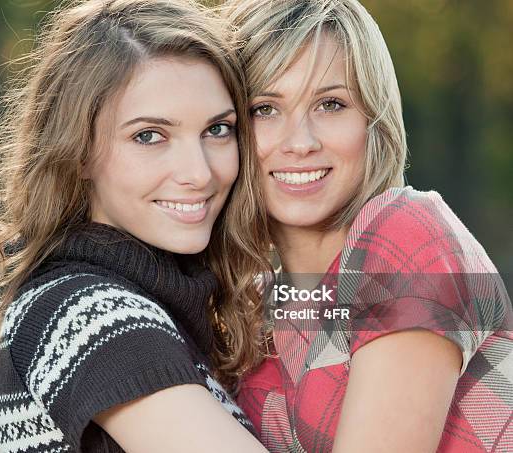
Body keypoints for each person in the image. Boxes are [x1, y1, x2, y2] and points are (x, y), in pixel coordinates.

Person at [0, 0, 270, 451]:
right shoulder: (87, 314)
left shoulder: (155, 305)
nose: (199, 173)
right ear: (78, 151)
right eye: (149, 136)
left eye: (217, 130)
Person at [220, 0, 513, 451]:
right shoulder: (253, 312)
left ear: (373, 122)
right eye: (265, 109)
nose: (301, 142)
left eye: (331, 104)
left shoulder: (405, 230)